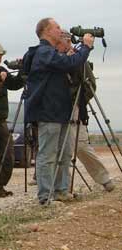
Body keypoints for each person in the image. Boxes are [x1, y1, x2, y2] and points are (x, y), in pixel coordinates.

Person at [23, 17, 94, 205]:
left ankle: (61, 191)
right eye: (57, 27)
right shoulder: (43, 52)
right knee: (47, 155)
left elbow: (70, 63)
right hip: (48, 111)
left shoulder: (51, 52)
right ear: (46, 31)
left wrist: (75, 50)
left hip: (61, 110)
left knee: (64, 153)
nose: (60, 30)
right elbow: (68, 64)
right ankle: (45, 196)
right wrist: (85, 47)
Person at [59, 32, 115, 192]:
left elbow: (91, 85)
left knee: (81, 145)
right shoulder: (55, 59)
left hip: (77, 107)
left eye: (69, 39)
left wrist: (79, 98)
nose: (67, 43)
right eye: (64, 39)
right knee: (59, 146)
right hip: (57, 108)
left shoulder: (79, 58)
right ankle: (62, 187)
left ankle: (103, 178)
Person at [0, 43, 25, 198]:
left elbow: (15, 84)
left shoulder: (2, 70)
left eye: (0, 56)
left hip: (1, 119)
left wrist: (22, 69)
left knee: (7, 155)